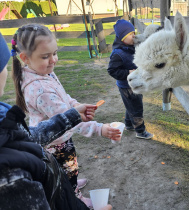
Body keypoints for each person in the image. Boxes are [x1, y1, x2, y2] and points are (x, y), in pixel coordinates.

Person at [11, 24, 120, 208]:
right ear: (25, 58)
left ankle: (73, 182)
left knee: (70, 168)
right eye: (46, 56)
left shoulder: (44, 72)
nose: (53, 60)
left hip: (60, 138)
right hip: (55, 144)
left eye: (54, 53)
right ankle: (76, 196)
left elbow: (63, 97)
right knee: (65, 176)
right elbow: (69, 122)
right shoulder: (39, 89)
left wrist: (75, 105)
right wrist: (100, 129)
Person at [107, 19, 153, 140]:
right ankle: (140, 131)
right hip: (126, 86)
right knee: (136, 107)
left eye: (134, 32)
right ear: (122, 37)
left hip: (136, 84)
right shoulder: (118, 54)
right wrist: (128, 72)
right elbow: (112, 71)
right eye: (131, 34)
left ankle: (128, 124)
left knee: (131, 105)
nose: (134, 36)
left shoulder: (131, 47)